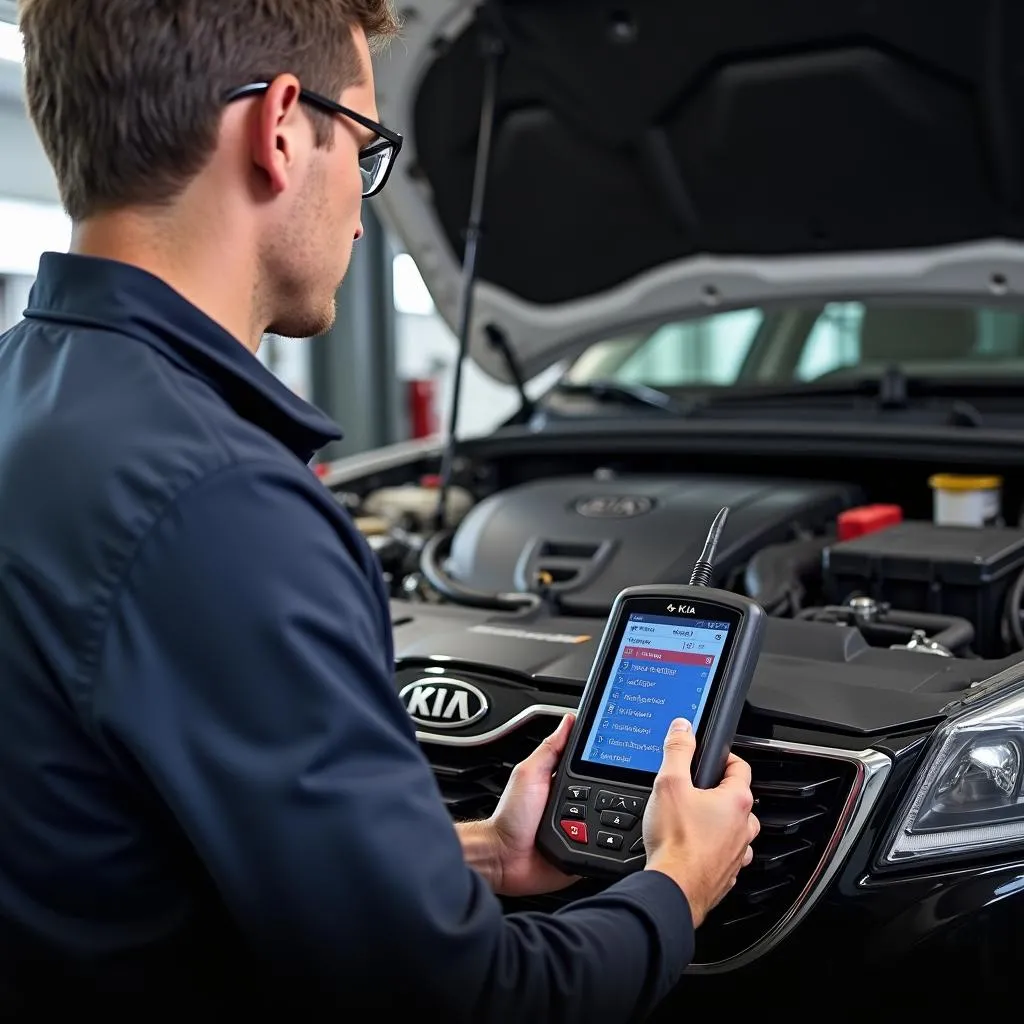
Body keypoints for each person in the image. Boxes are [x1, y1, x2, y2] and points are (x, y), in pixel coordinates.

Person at [0, 1, 760, 1019]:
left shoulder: (24, 394)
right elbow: (461, 998)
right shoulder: (220, 504)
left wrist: (475, 854)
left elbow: (124, 836)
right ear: (278, 129)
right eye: (362, 147)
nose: (363, 209)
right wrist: (676, 883)